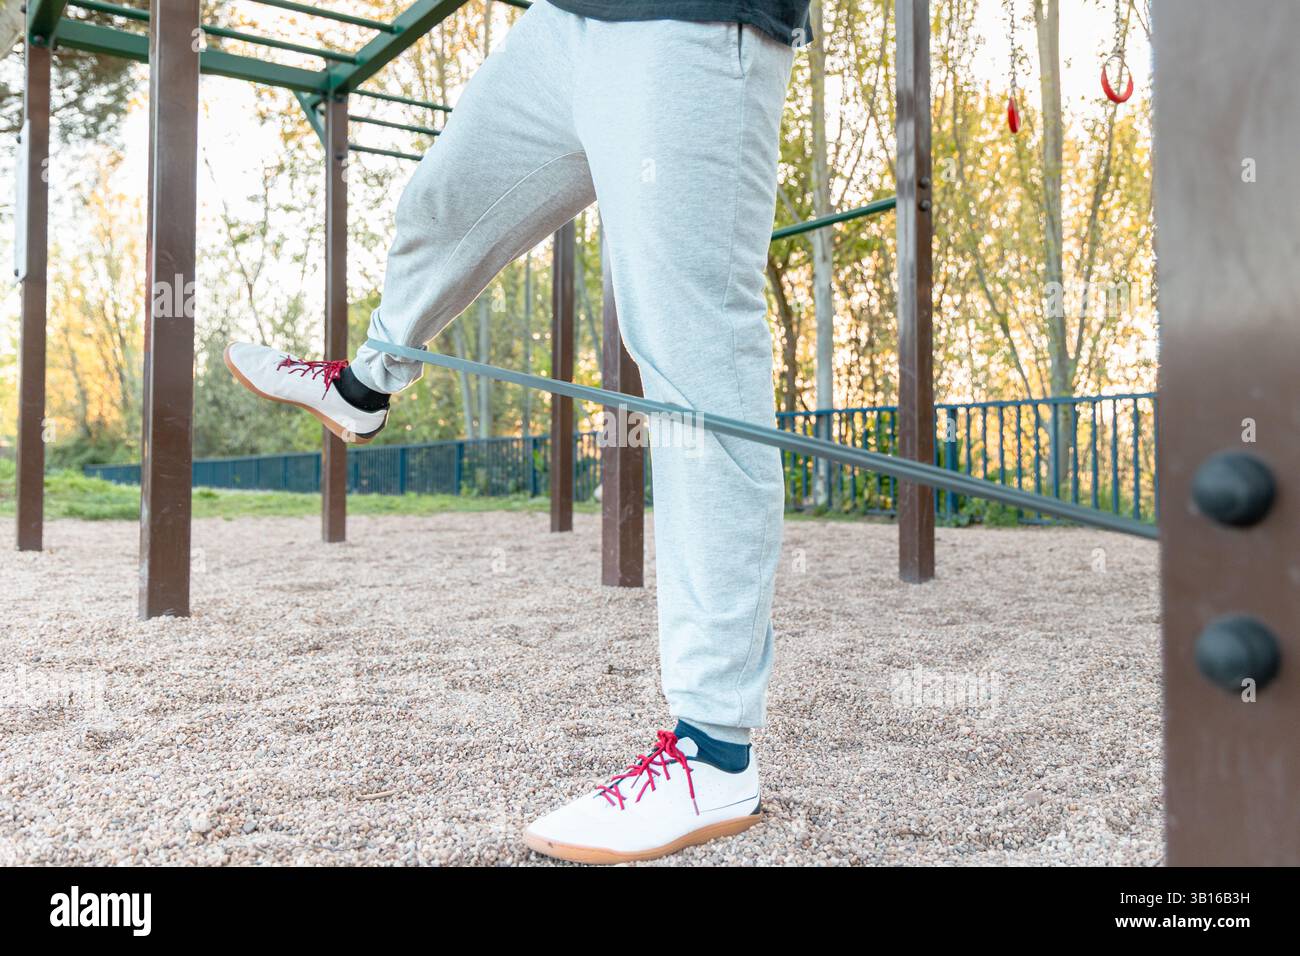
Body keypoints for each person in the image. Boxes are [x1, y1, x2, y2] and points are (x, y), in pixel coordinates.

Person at [225, 0, 811, 864]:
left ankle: (714, 754)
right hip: (566, 20)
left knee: (693, 359)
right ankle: (364, 384)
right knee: (443, 201)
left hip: (694, 25)